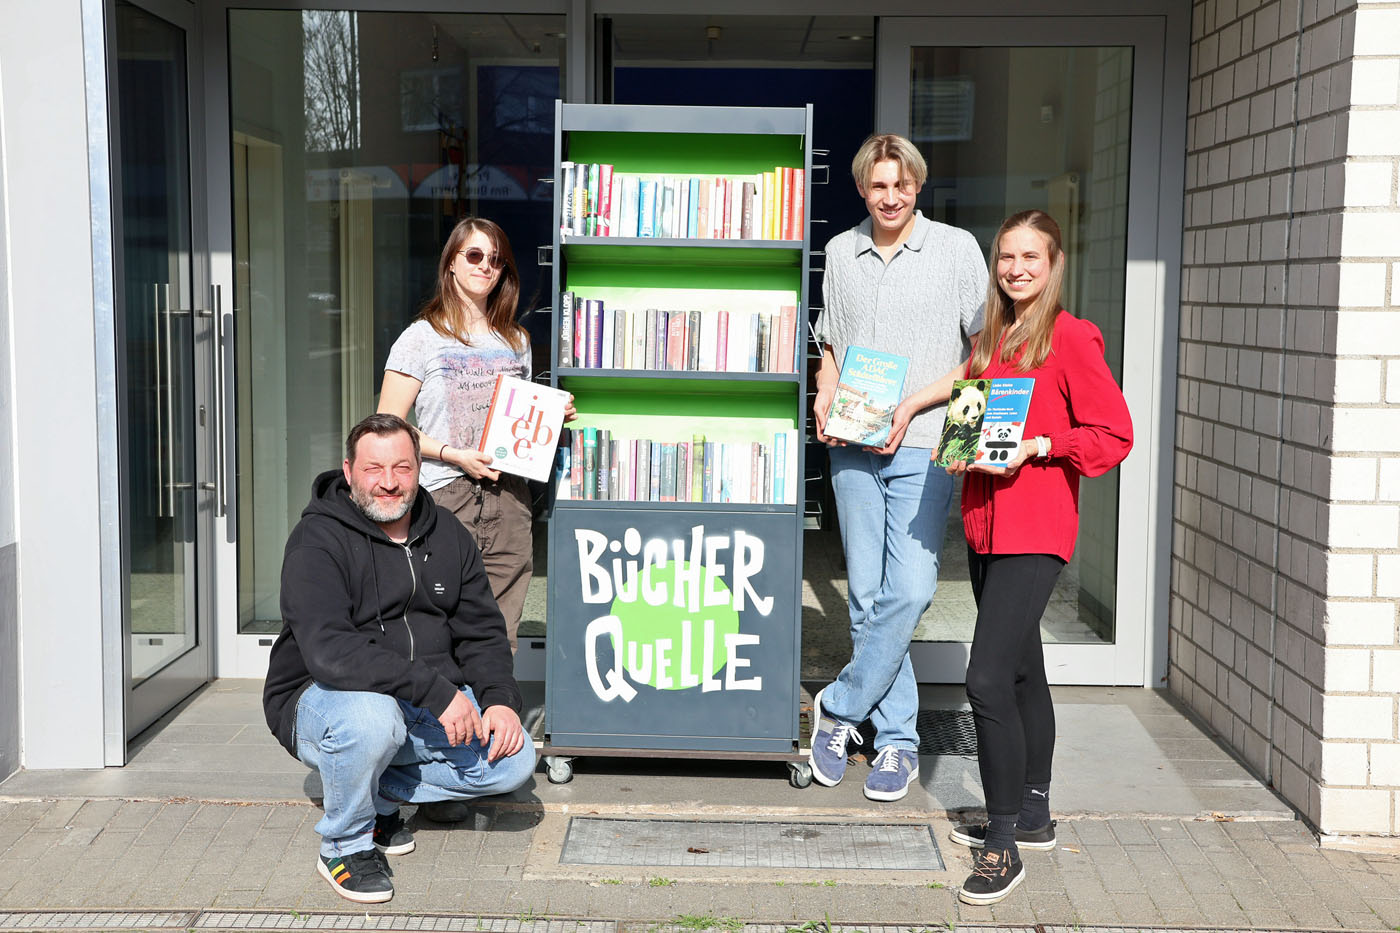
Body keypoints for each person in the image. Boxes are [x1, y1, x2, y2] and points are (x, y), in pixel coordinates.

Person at [938, 210, 1133, 905]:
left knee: (985, 677)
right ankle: (1035, 812)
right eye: (1006, 257)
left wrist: (1043, 446)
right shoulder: (994, 335)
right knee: (1022, 670)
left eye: (1030, 257)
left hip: (1037, 527)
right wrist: (955, 444)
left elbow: (1114, 433)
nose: (1016, 268)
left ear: (1053, 263)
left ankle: (1001, 842)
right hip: (986, 526)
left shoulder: (1071, 337)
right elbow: (973, 411)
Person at [262, 413, 536, 904]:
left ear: (418, 470)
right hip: (325, 700)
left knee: (514, 760)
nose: (388, 483)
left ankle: (378, 793)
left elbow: (482, 634)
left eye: (402, 468)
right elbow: (330, 652)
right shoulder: (316, 541)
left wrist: (498, 700)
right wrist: (439, 694)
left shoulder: (448, 535)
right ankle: (345, 845)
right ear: (349, 472)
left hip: (419, 700)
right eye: (373, 469)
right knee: (373, 720)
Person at [809, 134, 987, 802]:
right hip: (853, 442)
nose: (891, 196)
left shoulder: (955, 248)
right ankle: (899, 744)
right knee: (867, 595)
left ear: (918, 185)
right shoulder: (839, 252)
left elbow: (982, 352)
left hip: (926, 440)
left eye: (902, 184)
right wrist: (825, 394)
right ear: (862, 188)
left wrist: (914, 404)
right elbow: (832, 341)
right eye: (879, 185)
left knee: (909, 590)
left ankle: (840, 706)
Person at [378, 217, 574, 662]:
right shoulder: (421, 338)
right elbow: (387, 423)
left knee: (501, 625)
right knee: (438, 620)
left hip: (509, 497)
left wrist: (553, 416)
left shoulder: (516, 340)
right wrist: (454, 455)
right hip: (447, 494)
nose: (485, 266)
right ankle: (442, 725)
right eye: (474, 255)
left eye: (496, 259)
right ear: (451, 264)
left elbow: (522, 425)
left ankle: (493, 720)